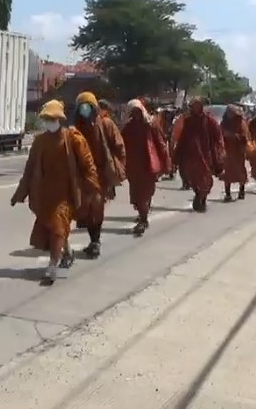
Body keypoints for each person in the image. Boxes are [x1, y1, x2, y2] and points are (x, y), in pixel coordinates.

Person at [11, 100, 98, 285]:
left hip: (65, 194)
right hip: (44, 195)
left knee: (58, 227)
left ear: (60, 119)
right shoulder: (40, 141)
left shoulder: (74, 138)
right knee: (52, 228)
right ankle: (67, 252)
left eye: (53, 118)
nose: (49, 122)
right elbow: (30, 169)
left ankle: (52, 267)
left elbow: (88, 165)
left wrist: (92, 189)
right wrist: (20, 193)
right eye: (46, 119)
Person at [72, 91, 125, 259]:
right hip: (81, 175)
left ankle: (95, 241)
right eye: (82, 108)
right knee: (84, 210)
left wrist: (114, 168)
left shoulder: (107, 125)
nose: (85, 111)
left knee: (96, 208)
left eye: (89, 107)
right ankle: (93, 239)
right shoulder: (75, 129)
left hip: (100, 174)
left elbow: (119, 147)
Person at [121, 99, 169, 235]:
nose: (136, 114)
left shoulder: (151, 125)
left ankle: (143, 219)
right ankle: (143, 215)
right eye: (133, 112)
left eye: (138, 111)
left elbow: (160, 144)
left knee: (145, 193)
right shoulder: (128, 127)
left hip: (149, 164)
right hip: (133, 166)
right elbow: (121, 144)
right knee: (137, 195)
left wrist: (165, 162)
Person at [172, 98, 224, 212]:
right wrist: (178, 154)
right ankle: (198, 193)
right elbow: (183, 138)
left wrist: (218, 151)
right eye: (192, 106)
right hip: (190, 155)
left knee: (205, 179)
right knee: (192, 178)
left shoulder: (209, 120)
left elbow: (218, 136)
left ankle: (201, 197)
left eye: (196, 106)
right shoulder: (188, 121)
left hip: (206, 155)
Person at [219, 105, 250, 202]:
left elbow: (244, 137)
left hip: (238, 151)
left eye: (231, 113)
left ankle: (242, 191)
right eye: (228, 113)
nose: (229, 115)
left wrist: (233, 136)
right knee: (227, 172)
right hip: (227, 151)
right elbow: (219, 134)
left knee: (240, 171)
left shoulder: (241, 123)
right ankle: (228, 194)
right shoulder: (224, 123)